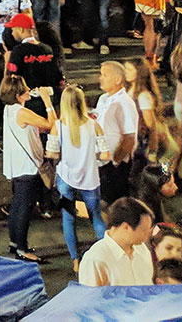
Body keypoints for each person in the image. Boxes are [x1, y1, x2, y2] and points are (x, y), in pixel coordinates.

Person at [48, 83, 111, 263]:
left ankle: (75, 260)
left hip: (65, 179)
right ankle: (106, 257)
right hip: (90, 179)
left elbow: (51, 153)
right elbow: (106, 154)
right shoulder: (94, 125)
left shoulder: (58, 126)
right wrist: (94, 159)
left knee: (68, 219)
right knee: (97, 218)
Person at [1, 76, 55, 263]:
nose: (29, 90)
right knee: (24, 207)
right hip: (28, 166)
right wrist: (47, 101)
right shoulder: (22, 113)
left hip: (17, 165)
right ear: (18, 95)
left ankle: (15, 242)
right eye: (25, 90)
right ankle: (22, 249)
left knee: (17, 205)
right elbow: (50, 125)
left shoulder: (9, 110)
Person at [76, 196, 156, 286]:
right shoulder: (95, 259)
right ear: (125, 227)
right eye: (143, 231)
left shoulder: (142, 249)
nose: (147, 236)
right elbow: (90, 297)